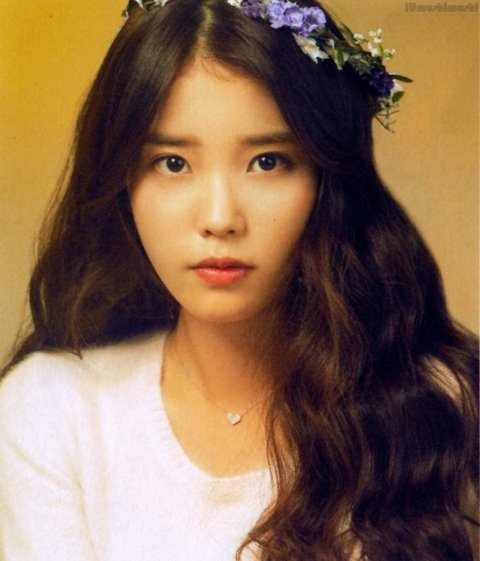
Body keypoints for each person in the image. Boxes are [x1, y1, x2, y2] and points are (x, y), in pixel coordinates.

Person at [0, 0, 478, 560]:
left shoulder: (438, 404)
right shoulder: (52, 410)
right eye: (173, 163)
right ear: (122, 183)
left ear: (327, 181)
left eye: (268, 161)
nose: (220, 218)